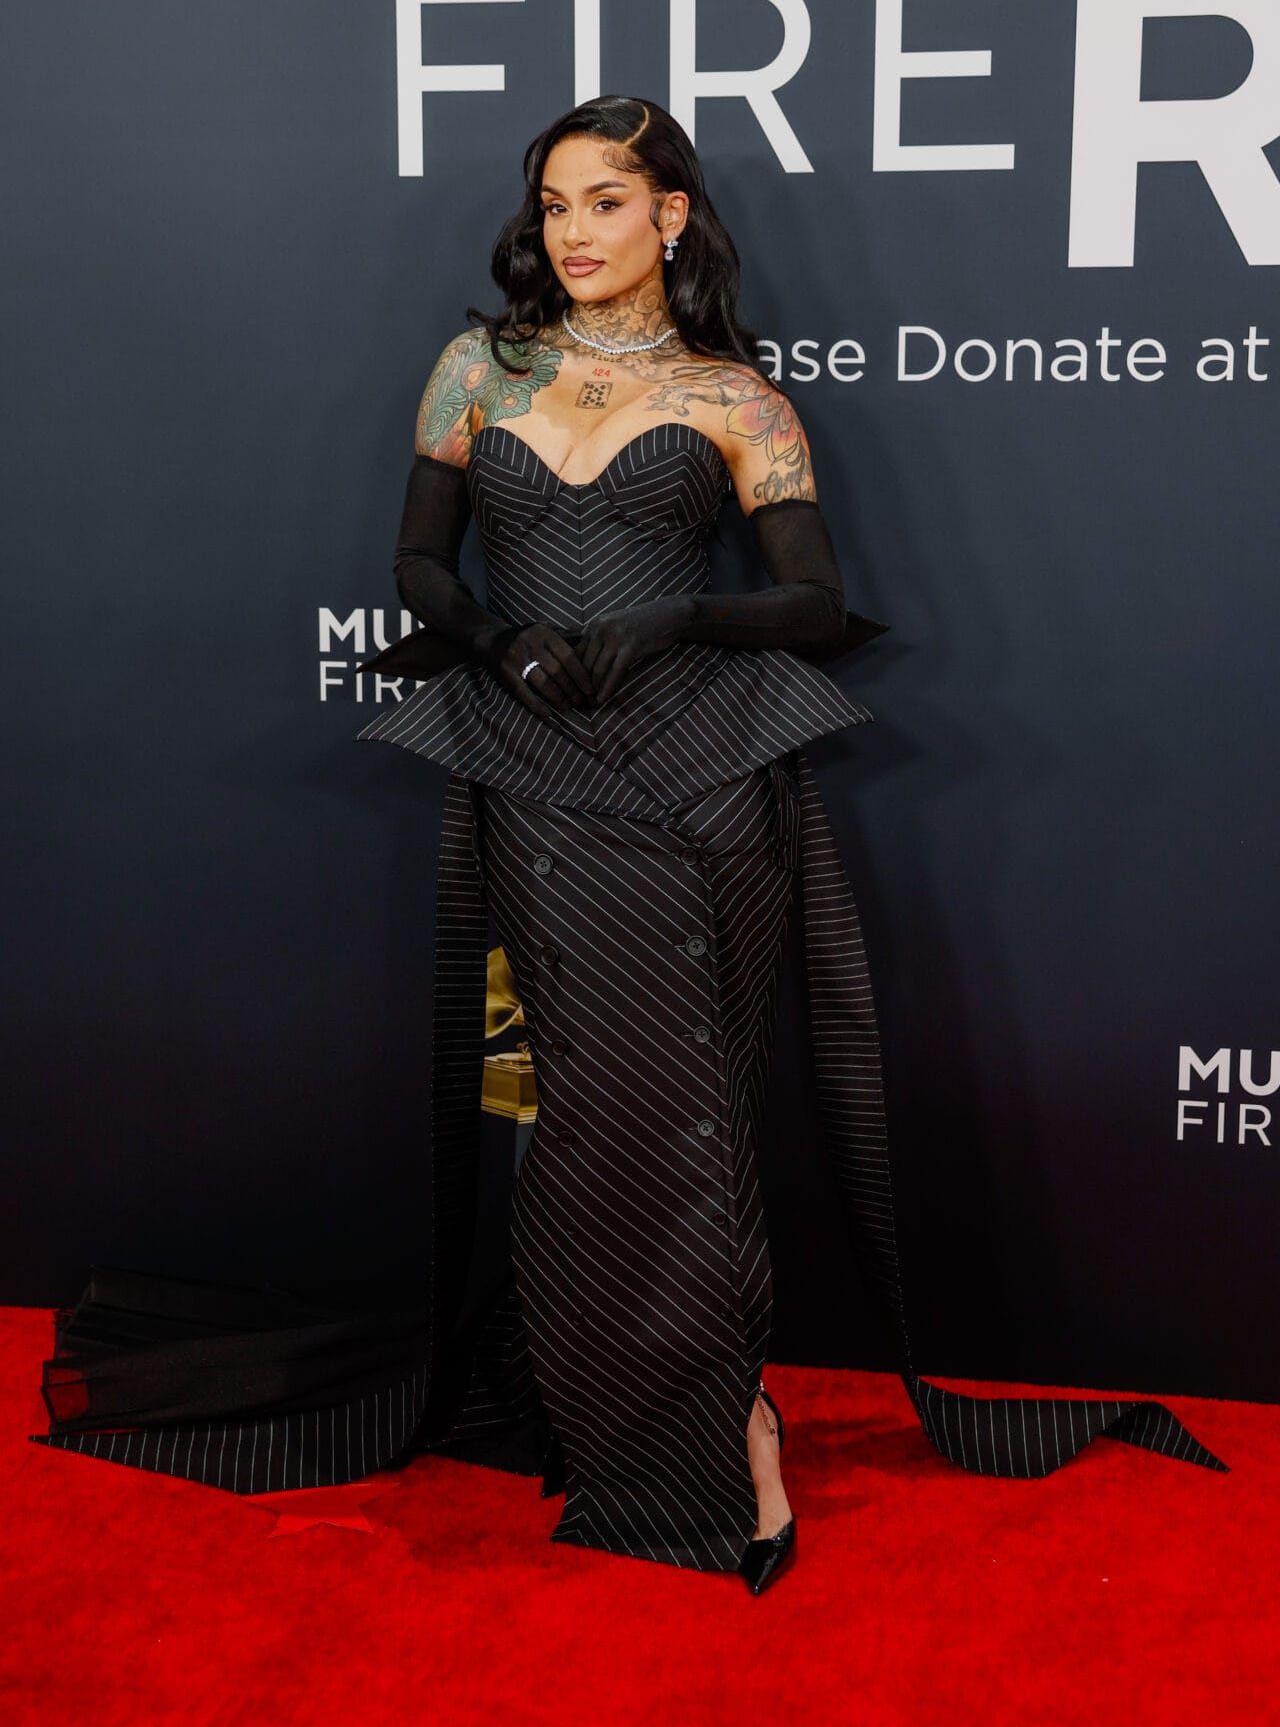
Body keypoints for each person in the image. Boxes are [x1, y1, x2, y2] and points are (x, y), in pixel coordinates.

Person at [33, 96, 1226, 1594]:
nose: (574, 233)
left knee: (703, 1114)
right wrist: (500, 640)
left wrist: (675, 618)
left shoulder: (739, 401)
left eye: (606, 201)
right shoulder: (479, 368)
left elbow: (813, 603)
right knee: (595, 1113)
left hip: (705, 778)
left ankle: (733, 1417)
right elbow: (418, 564)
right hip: (538, 774)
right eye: (553, 205)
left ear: (671, 216)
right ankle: (625, 1399)